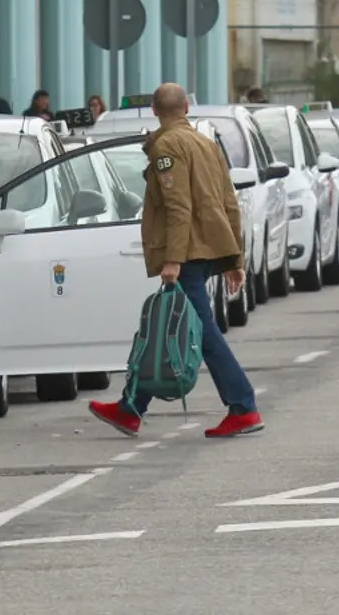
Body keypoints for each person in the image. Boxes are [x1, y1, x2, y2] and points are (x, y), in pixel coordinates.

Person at [88, 82, 264, 439]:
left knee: (199, 334)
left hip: (186, 254)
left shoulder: (167, 146)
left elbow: (178, 207)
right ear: (186, 106)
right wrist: (234, 258)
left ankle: (243, 407)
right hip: (202, 251)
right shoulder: (206, 142)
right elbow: (229, 201)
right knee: (171, 328)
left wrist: (173, 259)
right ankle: (131, 407)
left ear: (154, 109)